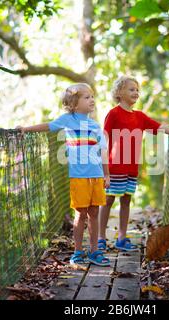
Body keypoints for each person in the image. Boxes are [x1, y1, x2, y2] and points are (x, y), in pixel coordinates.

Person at [18, 83, 111, 266]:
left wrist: (106, 175)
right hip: (78, 177)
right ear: (74, 104)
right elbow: (48, 126)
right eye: (86, 97)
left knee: (94, 212)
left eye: (92, 96)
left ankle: (94, 251)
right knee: (80, 214)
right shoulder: (68, 119)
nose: (92, 100)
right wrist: (26, 129)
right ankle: (77, 251)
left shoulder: (95, 125)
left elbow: (103, 152)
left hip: (96, 175)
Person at [98, 75, 169, 252]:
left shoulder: (139, 116)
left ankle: (122, 238)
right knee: (107, 200)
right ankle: (100, 237)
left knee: (126, 201)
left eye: (137, 90)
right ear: (119, 93)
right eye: (131, 89)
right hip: (115, 167)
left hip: (132, 168)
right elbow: (104, 139)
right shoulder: (113, 114)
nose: (136, 92)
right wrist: (104, 170)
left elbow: (159, 127)